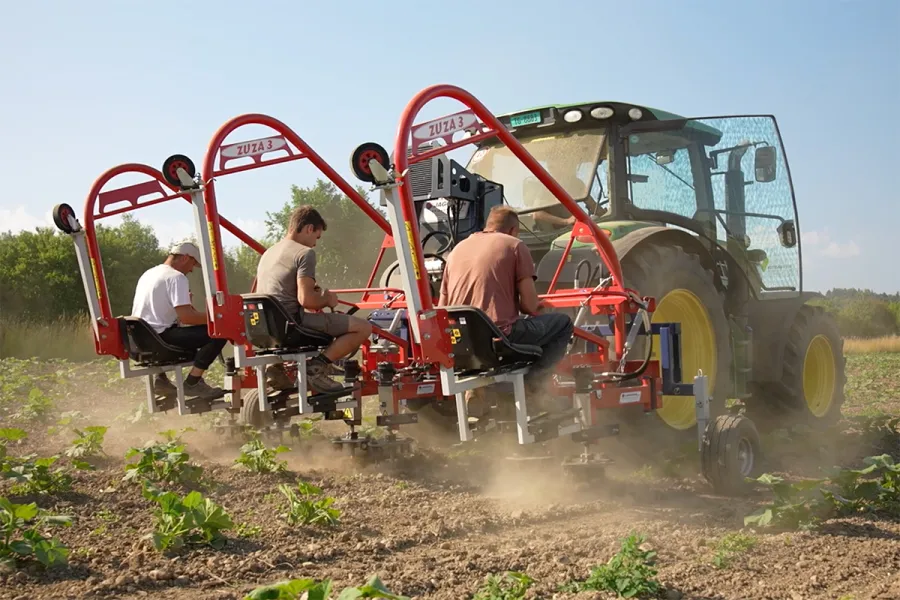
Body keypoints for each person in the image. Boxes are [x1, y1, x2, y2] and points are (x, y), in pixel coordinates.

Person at [438, 205, 574, 414]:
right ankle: (533, 387)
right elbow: (529, 306)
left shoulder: (457, 250)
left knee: (489, 338)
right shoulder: (515, 245)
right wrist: (539, 305)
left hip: (461, 343)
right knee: (562, 324)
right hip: (499, 338)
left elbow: (442, 307)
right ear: (513, 230)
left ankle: (477, 390)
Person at [255, 205, 373, 394]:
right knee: (364, 327)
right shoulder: (304, 253)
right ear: (309, 228)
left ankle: (275, 367)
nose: (315, 244)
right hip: (292, 325)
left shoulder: (268, 253)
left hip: (264, 328)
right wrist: (327, 300)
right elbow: (307, 300)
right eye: (316, 237)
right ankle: (317, 368)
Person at [131, 241, 227, 399]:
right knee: (221, 332)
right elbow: (187, 318)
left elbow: (161, 314)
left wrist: (188, 306)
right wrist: (217, 318)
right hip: (161, 339)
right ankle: (193, 383)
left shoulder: (148, 274)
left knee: (188, 331)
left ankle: (161, 380)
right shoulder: (177, 277)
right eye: (193, 264)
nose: (191, 270)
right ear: (185, 258)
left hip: (142, 339)